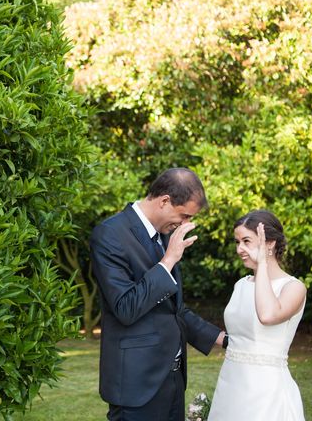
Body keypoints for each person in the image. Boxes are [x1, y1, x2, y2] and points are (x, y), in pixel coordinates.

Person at [90, 167, 226, 421]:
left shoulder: (163, 237)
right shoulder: (110, 234)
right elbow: (126, 307)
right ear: (164, 201)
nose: (185, 224)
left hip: (172, 381)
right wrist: (168, 260)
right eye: (184, 215)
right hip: (136, 386)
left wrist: (221, 339)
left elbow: (174, 310)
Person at [208, 210, 307, 421]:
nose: (239, 249)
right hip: (231, 383)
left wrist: (262, 264)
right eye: (237, 242)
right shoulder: (240, 285)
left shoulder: (293, 287)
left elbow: (268, 315)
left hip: (265, 389)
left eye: (246, 241)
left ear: (269, 243)